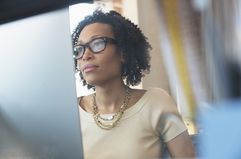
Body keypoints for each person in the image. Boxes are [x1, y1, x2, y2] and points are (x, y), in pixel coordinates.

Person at [72, 9, 195, 159]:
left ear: (123, 52)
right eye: (79, 49)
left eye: (97, 43)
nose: (85, 55)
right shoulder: (71, 113)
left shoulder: (156, 102)